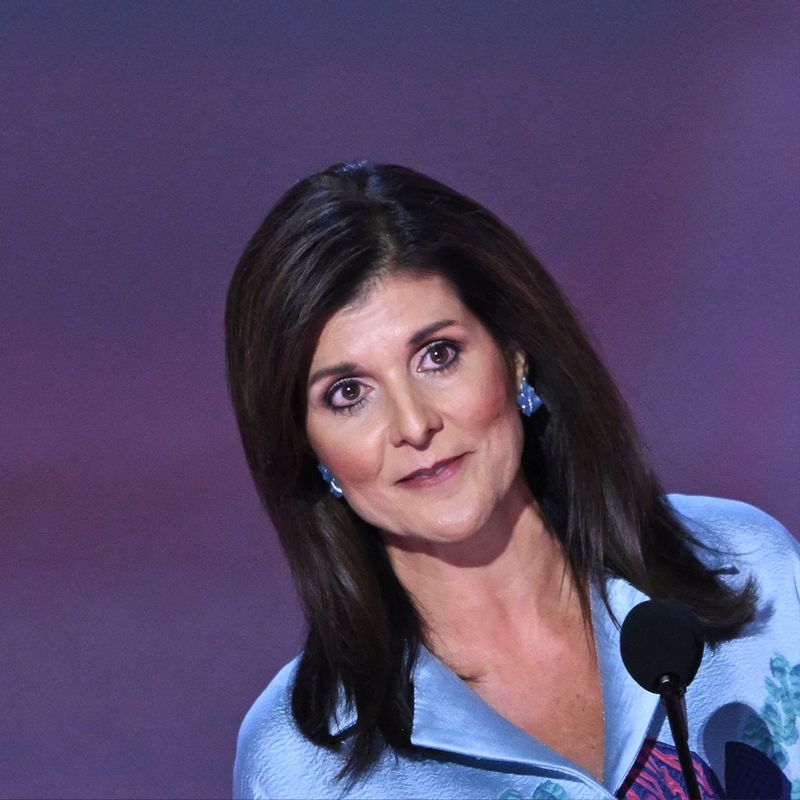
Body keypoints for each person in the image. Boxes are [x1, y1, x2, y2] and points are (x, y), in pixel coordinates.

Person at [224, 162, 800, 799]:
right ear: (308, 447)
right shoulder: (302, 764)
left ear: (515, 355)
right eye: (349, 393)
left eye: (438, 355)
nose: (414, 424)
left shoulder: (748, 568)